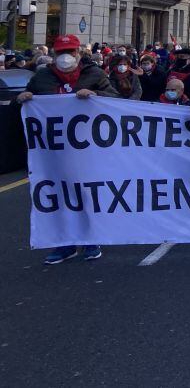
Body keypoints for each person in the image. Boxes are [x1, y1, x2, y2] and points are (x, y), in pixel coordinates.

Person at [17, 34, 118, 264]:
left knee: (88, 193)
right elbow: (26, 109)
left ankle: (92, 239)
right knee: (59, 195)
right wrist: (22, 99)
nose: (66, 57)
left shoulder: (94, 75)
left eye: (70, 52)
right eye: (61, 52)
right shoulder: (42, 78)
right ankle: (65, 244)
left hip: (90, 149)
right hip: (55, 152)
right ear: (53, 55)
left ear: (78, 53)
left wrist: (96, 95)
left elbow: (115, 99)